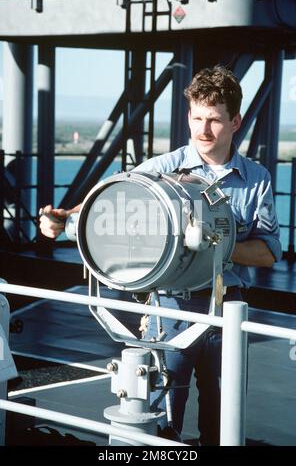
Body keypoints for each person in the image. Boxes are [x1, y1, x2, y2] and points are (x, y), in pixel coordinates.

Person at [39, 66, 282, 445]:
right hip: (168, 310)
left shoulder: (257, 179)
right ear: (188, 117)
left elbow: (268, 253)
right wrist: (63, 219)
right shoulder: (163, 168)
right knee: (159, 415)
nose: (203, 130)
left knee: (223, 422)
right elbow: (113, 194)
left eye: (215, 120)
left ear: (235, 121)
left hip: (226, 309)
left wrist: (213, 242)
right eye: (197, 118)